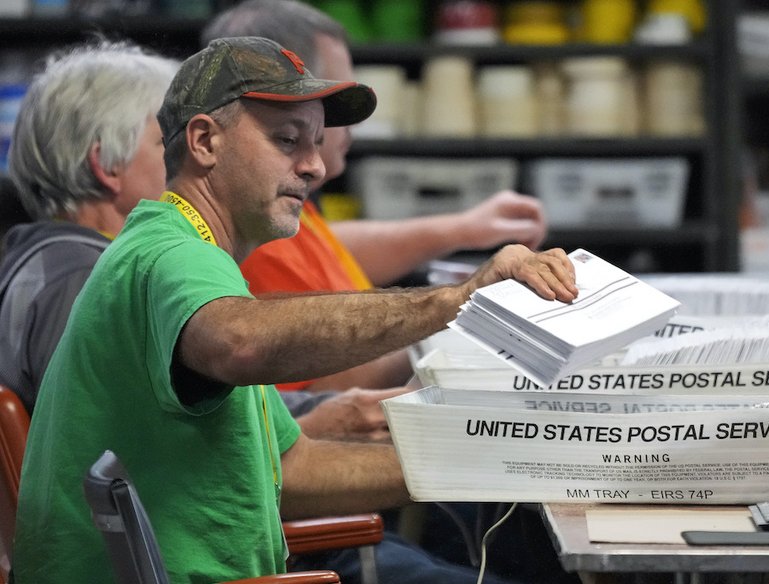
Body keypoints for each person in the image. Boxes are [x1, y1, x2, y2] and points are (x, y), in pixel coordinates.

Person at [13, 35, 577, 584]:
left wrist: (502, 455)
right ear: (205, 142)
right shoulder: (173, 253)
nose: (316, 167)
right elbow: (242, 342)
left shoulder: (183, 254)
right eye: (287, 141)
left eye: (315, 142)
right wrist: (457, 300)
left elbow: (293, 470)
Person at [203, 0, 549, 398]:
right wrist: (459, 319)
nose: (355, 123)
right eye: (336, 97)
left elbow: (327, 249)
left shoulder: (283, 199)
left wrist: (462, 229)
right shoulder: (254, 229)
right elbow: (311, 396)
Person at [0, 41, 178, 415]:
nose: (192, 156)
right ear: (107, 164)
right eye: (168, 142)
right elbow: (104, 458)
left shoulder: (53, 261)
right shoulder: (85, 279)